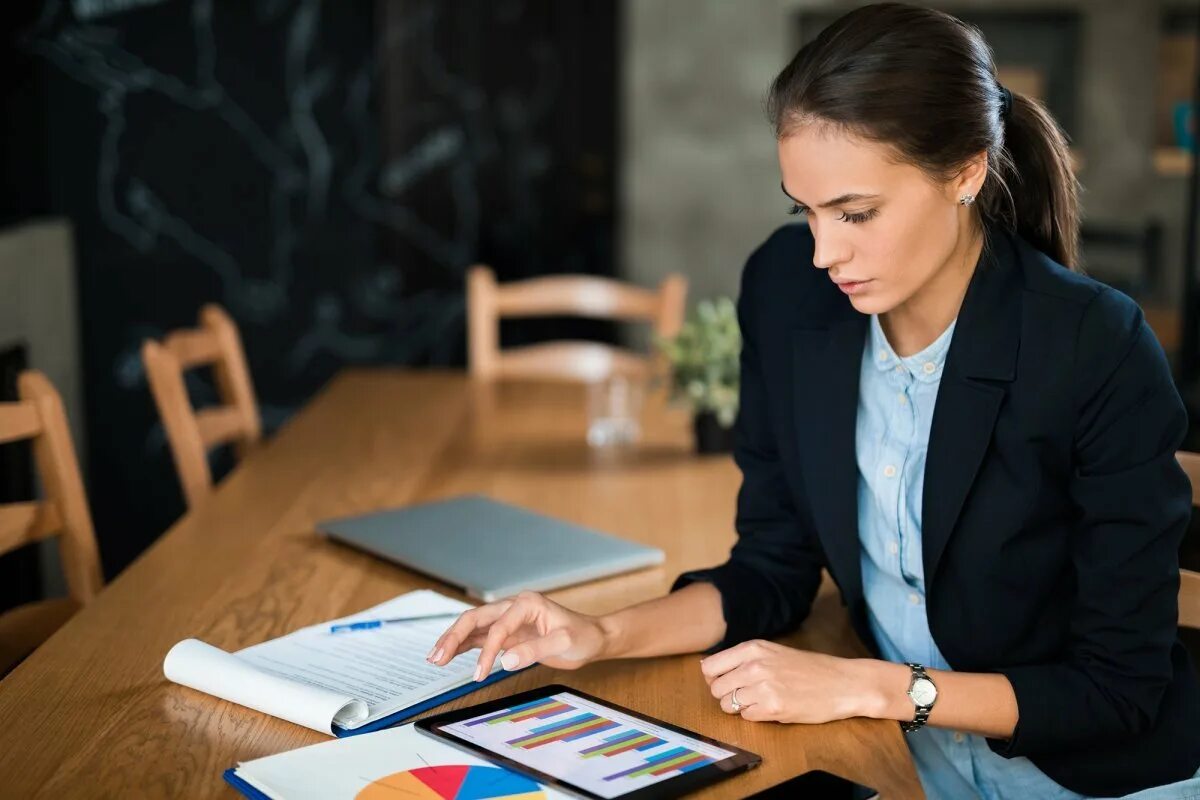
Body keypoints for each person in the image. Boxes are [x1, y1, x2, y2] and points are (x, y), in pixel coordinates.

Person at [428, 4, 1200, 797]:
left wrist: (870, 685)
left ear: (966, 172)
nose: (825, 252)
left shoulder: (1092, 345)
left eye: (857, 214)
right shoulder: (789, 295)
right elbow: (773, 567)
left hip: (1086, 773)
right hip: (901, 754)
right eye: (807, 211)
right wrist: (601, 633)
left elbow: (1119, 691)